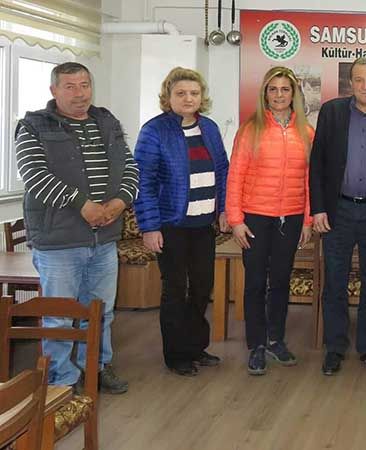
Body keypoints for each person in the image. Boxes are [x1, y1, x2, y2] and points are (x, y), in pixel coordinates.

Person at [15, 62, 139, 394]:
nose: (80, 93)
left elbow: (129, 167)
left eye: (84, 85)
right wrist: (82, 204)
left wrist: (120, 202)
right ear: (53, 90)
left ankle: (96, 367)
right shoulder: (33, 126)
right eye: (70, 86)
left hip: (104, 238)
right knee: (58, 315)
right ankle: (61, 380)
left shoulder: (106, 122)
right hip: (59, 242)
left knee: (101, 312)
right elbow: (35, 176)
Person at [309, 57, 366, 376]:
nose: (365, 86)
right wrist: (318, 208)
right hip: (338, 211)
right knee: (334, 281)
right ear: (350, 83)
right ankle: (335, 348)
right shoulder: (332, 112)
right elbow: (318, 164)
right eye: (359, 80)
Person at [134, 67, 229, 377]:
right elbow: (143, 182)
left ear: (202, 97)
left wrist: (224, 209)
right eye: (181, 93)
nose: (188, 98)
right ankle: (176, 355)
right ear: (168, 97)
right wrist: (149, 227)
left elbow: (223, 171)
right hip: (171, 226)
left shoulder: (210, 128)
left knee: (202, 287)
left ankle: (195, 347)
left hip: (203, 226)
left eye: (194, 93)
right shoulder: (154, 131)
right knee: (175, 290)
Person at [227, 66, 315, 376]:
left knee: (280, 281)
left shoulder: (306, 132)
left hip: (290, 218)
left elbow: (310, 181)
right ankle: (256, 345)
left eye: (285, 89)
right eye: (273, 89)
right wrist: (236, 220)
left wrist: (307, 221)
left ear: (294, 94)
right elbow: (235, 176)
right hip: (254, 218)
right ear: (265, 93)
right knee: (254, 282)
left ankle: (276, 340)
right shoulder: (250, 129)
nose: (279, 95)